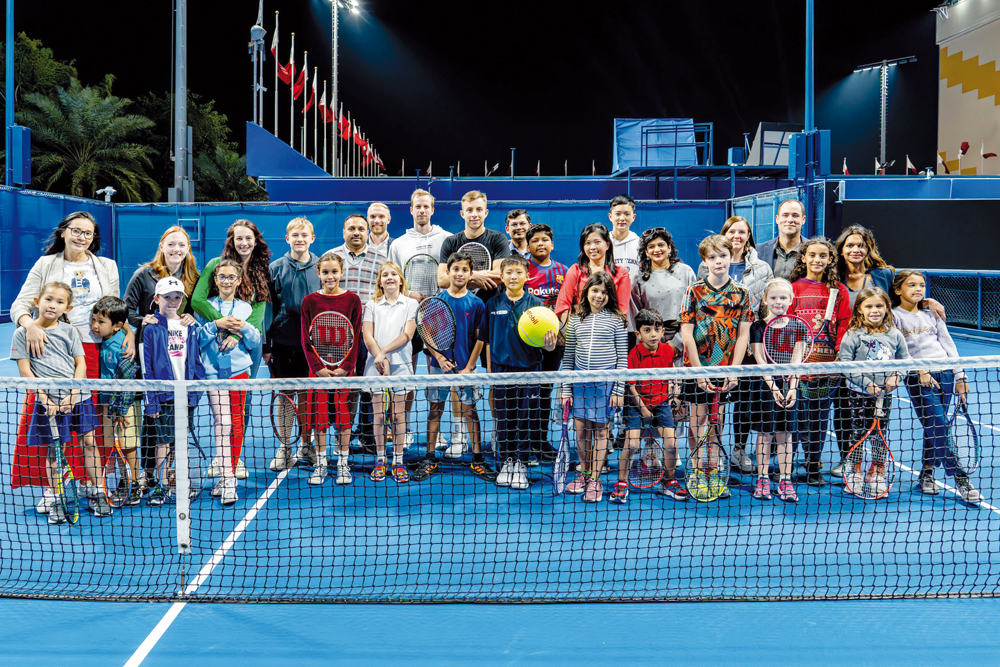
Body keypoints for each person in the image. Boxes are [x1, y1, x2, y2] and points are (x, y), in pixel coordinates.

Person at [11, 212, 133, 498]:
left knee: (90, 422)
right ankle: (51, 491)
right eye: (76, 231)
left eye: (88, 233)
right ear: (63, 232)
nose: (82, 237)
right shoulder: (46, 264)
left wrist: (129, 331)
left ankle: (90, 483)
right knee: (50, 417)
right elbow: (21, 303)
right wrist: (29, 325)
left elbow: (115, 308)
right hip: (52, 353)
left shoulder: (106, 266)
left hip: (95, 352)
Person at [12, 283, 110, 523]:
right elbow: (26, 372)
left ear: (68, 307)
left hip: (78, 397)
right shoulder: (21, 334)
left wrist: (74, 394)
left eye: (59, 302)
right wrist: (45, 399)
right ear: (37, 301)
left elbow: (81, 364)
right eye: (48, 299)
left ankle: (97, 493)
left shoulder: (69, 331)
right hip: (48, 401)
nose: (52, 305)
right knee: (56, 451)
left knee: (89, 442)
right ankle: (56, 497)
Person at [891, 270, 981, 503]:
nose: (918, 289)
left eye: (921, 285)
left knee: (934, 426)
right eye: (911, 285)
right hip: (918, 377)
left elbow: (949, 345)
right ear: (898, 289)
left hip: (946, 375)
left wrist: (960, 378)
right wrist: (919, 371)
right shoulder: (893, 317)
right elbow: (900, 352)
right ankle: (960, 478)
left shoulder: (932, 314)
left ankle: (927, 473)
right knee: (939, 423)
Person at [123, 225, 199, 493]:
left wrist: (192, 318)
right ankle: (148, 474)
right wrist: (141, 320)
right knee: (151, 420)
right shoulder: (143, 275)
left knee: (175, 428)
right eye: (171, 244)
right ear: (162, 247)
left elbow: (192, 311)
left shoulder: (193, 277)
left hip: (179, 362)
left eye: (182, 245)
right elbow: (126, 308)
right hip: (151, 353)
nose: (176, 249)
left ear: (188, 249)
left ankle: (172, 474)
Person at [696, 216, 773, 475]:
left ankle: (738, 449)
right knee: (715, 405)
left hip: (748, 344)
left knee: (743, 402)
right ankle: (708, 460)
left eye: (742, 231)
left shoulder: (761, 267)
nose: (737, 235)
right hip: (713, 350)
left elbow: (764, 306)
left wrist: (755, 340)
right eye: (732, 230)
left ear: (748, 235)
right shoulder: (703, 267)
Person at [679, 235, 753, 501]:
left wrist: (734, 370)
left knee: (717, 421)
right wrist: (698, 372)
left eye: (722, 255)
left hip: (725, 369)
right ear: (704, 261)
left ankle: (714, 469)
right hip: (697, 368)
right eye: (712, 257)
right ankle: (698, 471)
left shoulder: (742, 293)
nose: (718, 261)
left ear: (730, 256)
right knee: (696, 421)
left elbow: (743, 335)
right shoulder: (693, 292)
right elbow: (687, 334)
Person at [412, 252, 494, 482]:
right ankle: (429, 458)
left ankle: (477, 459)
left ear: (470, 274)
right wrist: (438, 358)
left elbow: (480, 339)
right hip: (439, 368)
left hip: (466, 369)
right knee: (434, 409)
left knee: (470, 411)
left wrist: (469, 367)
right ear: (447, 272)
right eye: (455, 269)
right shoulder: (437, 300)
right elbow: (425, 331)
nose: (459, 273)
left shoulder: (477, 304)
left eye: (464, 270)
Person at [483, 255, 556, 490]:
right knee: (504, 420)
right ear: (501, 276)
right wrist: (490, 373)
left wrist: (550, 344)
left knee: (526, 419)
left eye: (518, 272)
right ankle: (505, 462)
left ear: (527, 276)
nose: (513, 276)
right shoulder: (492, 304)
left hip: (529, 371)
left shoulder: (537, 305)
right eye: (509, 272)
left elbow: (548, 345)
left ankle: (521, 464)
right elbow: (486, 341)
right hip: (501, 372)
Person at [386, 189, 452, 446]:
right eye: (418, 207)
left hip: (438, 314)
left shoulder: (446, 239)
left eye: (426, 206)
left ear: (432, 210)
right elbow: (392, 277)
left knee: (442, 373)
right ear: (411, 210)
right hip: (408, 315)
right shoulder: (399, 243)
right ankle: (406, 426)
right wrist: (409, 293)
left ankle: (444, 431)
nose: (422, 211)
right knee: (407, 374)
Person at [787, 237, 851, 485]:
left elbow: (844, 322)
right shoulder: (793, 288)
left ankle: (813, 465)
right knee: (796, 419)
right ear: (803, 258)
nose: (817, 260)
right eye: (812, 255)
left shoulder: (839, 291)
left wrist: (838, 352)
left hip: (827, 367)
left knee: (819, 420)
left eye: (823, 256)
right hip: (799, 365)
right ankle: (788, 468)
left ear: (831, 260)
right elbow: (789, 326)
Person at [560, 272, 629, 503]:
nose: (599, 296)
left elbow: (622, 360)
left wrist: (619, 390)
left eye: (604, 292)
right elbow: (568, 357)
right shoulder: (575, 319)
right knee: (581, 431)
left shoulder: (618, 320)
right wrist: (566, 388)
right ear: (586, 292)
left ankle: (595, 479)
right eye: (595, 290)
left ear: (611, 295)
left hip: (605, 386)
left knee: (600, 431)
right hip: (579, 385)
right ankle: (584, 472)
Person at [198, 260, 260, 506]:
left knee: (236, 422)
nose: (226, 281)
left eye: (231, 277)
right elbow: (198, 339)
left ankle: (228, 476)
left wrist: (242, 329)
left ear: (238, 280)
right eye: (222, 277)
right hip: (214, 375)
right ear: (215, 280)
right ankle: (227, 476)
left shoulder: (245, 308)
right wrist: (215, 325)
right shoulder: (205, 307)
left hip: (239, 373)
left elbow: (255, 341)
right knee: (222, 423)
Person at [610, 308, 687, 504]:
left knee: (672, 444)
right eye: (647, 330)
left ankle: (668, 482)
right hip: (637, 403)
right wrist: (643, 409)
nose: (653, 334)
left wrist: (675, 389)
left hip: (661, 402)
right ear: (638, 334)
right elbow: (631, 386)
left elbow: (670, 371)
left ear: (662, 332)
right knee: (633, 444)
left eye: (657, 329)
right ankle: (622, 483)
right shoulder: (633, 355)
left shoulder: (668, 350)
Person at [838, 286, 909, 497]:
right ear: (859, 309)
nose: (874, 310)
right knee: (858, 433)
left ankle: (877, 472)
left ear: (887, 308)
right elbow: (844, 363)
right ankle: (855, 472)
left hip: (884, 395)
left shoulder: (895, 334)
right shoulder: (853, 334)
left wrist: (897, 376)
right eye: (868, 306)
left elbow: (905, 360)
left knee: (880, 434)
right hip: (859, 394)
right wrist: (866, 383)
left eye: (879, 305)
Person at [299, 252, 363, 486]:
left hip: (344, 372)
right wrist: (317, 368)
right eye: (325, 272)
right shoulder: (309, 302)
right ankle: (321, 463)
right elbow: (306, 340)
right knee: (320, 419)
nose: (330, 276)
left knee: (344, 418)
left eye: (334, 271)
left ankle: (343, 463)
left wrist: (346, 367)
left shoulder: (353, 300)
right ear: (318, 273)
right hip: (318, 372)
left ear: (342, 272)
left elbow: (356, 337)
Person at [142, 277, 206, 507]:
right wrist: (152, 403)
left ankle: (179, 482)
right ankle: (160, 485)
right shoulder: (150, 329)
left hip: (185, 396)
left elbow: (197, 364)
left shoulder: (191, 326)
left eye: (177, 297)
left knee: (181, 442)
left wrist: (194, 395)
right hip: (163, 397)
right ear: (156, 299)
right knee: (162, 443)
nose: (173, 301)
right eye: (167, 297)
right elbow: (147, 369)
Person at [264, 217, 321, 471]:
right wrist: (266, 345)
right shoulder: (275, 268)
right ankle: (285, 446)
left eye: (304, 235)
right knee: (285, 398)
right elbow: (267, 309)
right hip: (283, 344)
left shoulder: (322, 267)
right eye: (295, 235)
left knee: (307, 397)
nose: (300, 239)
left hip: (313, 346)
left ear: (312, 238)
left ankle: (306, 445)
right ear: (287, 239)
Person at [329, 213, 387, 452]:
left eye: (361, 229)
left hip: (369, 333)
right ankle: (342, 432)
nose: (356, 232)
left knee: (369, 385)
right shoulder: (331, 258)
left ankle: (366, 434)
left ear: (367, 232)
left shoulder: (381, 258)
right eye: (351, 228)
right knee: (342, 386)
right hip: (338, 337)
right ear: (344, 232)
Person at [191, 220, 271, 383]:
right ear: (232, 241)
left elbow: (258, 308)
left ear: (255, 241)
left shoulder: (261, 269)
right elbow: (197, 300)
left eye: (248, 238)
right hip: (217, 340)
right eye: (239, 238)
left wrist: (237, 334)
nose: (244, 243)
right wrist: (224, 323)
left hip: (249, 340)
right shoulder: (216, 264)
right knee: (219, 396)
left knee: (246, 395)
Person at [362, 261, 417, 484]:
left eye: (394, 274)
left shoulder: (410, 304)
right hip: (375, 366)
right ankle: (381, 459)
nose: (390, 277)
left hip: (401, 366)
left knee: (397, 415)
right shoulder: (372, 304)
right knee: (378, 415)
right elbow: (368, 337)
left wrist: (383, 352)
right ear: (380, 281)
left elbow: (407, 335)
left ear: (401, 280)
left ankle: (399, 460)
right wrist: (378, 357)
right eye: (385, 275)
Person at [748, 279, 800, 503]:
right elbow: (760, 360)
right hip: (766, 387)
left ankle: (785, 480)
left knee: (785, 435)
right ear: (765, 300)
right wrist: (774, 387)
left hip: (789, 388)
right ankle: (762, 478)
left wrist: (792, 389)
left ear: (791, 300)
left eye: (783, 297)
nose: (778, 302)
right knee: (765, 434)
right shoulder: (757, 327)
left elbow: (798, 361)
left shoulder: (798, 326)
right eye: (773, 297)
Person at [91, 296, 143, 507]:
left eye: (101, 322)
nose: (95, 326)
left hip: (124, 407)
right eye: (93, 320)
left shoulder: (122, 346)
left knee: (128, 447)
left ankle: (135, 484)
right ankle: (125, 482)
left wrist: (120, 410)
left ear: (118, 325)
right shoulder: (105, 340)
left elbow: (127, 382)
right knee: (116, 445)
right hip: (107, 405)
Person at [524, 223, 569, 460]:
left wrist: (561, 333)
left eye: (545, 240)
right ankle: (525, 443)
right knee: (526, 392)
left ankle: (540, 442)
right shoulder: (523, 270)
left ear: (552, 244)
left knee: (544, 392)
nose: (540, 243)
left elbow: (568, 305)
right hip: (528, 344)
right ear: (528, 245)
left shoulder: (564, 271)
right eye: (535, 240)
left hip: (555, 344)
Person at [554, 223, 631, 329]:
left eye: (597, 242)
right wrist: (576, 332)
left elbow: (621, 312)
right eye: (588, 243)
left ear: (607, 245)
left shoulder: (621, 273)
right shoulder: (575, 271)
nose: (592, 247)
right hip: (579, 332)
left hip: (608, 334)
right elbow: (562, 306)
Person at [632, 228, 697, 346]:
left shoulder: (686, 271)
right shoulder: (638, 278)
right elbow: (637, 316)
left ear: (669, 248)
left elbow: (694, 310)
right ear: (646, 252)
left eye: (661, 245)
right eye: (651, 247)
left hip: (683, 341)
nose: (657, 250)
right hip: (650, 344)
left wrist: (676, 344)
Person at [755, 199, 806, 279]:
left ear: (803, 220)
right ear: (777, 219)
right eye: (785, 215)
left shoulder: (814, 251)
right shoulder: (757, 252)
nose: (790, 220)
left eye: (795, 215)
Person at [608, 194, 641, 285]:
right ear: (610, 216)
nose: (622, 218)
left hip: (634, 297)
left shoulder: (640, 244)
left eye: (627, 214)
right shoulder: (603, 243)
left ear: (633, 217)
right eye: (618, 214)